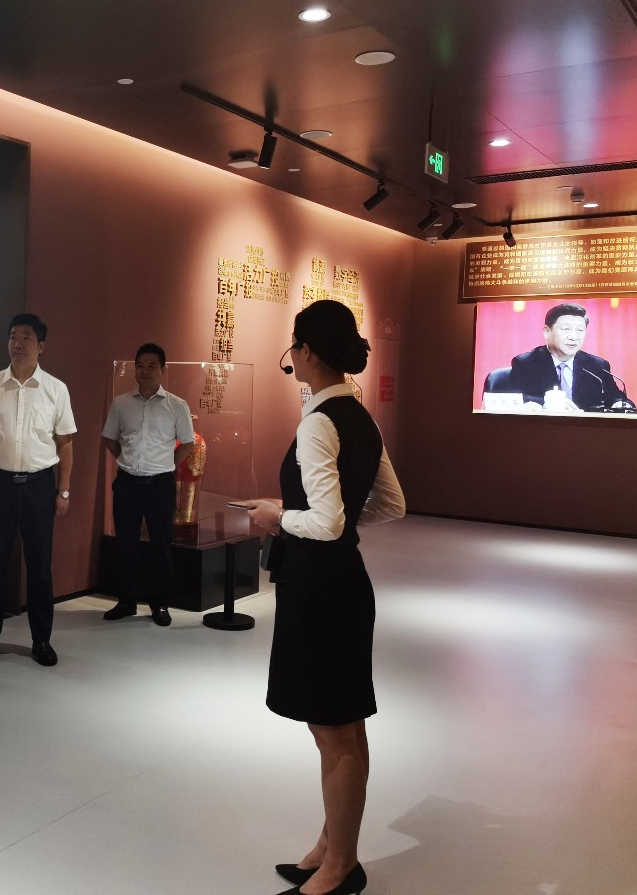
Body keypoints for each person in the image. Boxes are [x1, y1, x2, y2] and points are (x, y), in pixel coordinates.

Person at [242, 300, 404, 895]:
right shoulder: (361, 418)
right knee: (343, 728)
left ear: (306, 352)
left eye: (293, 347)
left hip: (318, 589)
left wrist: (277, 515)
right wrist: (308, 514)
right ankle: (332, 848)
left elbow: (328, 522)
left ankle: (340, 868)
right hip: (346, 585)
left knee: (334, 733)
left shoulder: (317, 423)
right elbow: (391, 504)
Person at [0, 313, 75, 667]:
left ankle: (41, 640)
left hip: (40, 486)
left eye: (26, 337)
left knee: (40, 567)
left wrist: (64, 490)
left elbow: (66, 443)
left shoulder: (56, 389)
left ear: (41, 346)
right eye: (13, 336)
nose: (18, 343)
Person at [100, 342, 194, 626]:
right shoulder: (121, 403)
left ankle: (160, 604)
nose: (145, 371)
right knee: (125, 545)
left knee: (161, 547)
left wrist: (165, 464)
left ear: (163, 370)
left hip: (160, 485)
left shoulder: (177, 405)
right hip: (127, 483)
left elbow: (187, 443)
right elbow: (109, 438)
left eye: (152, 366)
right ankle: (126, 601)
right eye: (140, 365)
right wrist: (126, 459)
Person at [508, 303, 619, 412]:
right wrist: (549, 404)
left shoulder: (597, 366)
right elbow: (516, 399)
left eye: (580, 330)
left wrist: (619, 403)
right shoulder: (526, 363)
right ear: (547, 332)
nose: (573, 337)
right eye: (566, 329)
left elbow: (617, 398)